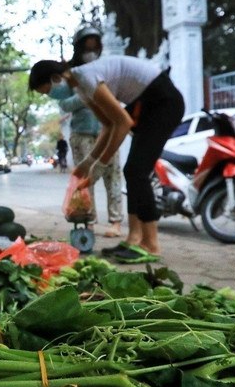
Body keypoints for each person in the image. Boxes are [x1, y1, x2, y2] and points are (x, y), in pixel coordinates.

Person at [29, 53, 185, 263]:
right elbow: (108, 125)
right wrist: (88, 162)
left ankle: (151, 244)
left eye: (47, 91)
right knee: (133, 173)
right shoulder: (81, 88)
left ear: (56, 78)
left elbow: (122, 123)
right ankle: (133, 239)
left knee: (136, 172)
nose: (52, 96)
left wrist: (101, 164)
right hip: (145, 104)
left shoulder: (86, 77)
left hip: (163, 101)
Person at [47, 25, 124, 237]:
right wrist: (86, 96)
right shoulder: (73, 74)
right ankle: (88, 220)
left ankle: (116, 221)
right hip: (81, 132)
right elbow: (63, 104)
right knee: (84, 178)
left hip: (108, 131)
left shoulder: (107, 69)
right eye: (86, 46)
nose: (91, 51)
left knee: (113, 175)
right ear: (79, 48)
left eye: (94, 46)